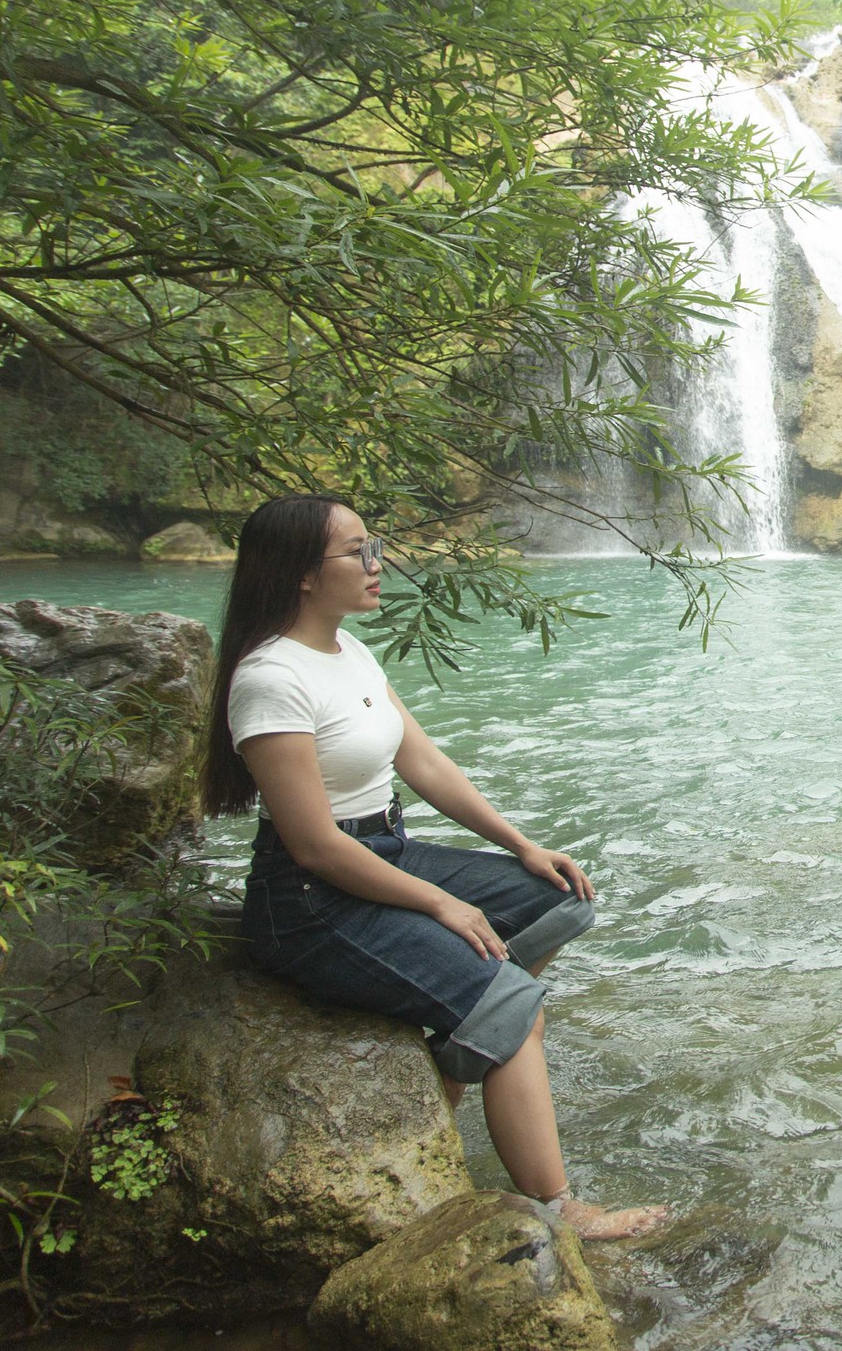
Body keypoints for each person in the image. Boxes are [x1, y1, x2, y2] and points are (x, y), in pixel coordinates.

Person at [200, 494, 665, 1240]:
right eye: (357, 551)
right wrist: (441, 904)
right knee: (515, 1003)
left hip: (385, 850)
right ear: (302, 576)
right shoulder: (269, 678)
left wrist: (520, 844)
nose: (377, 563)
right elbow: (315, 845)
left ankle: (457, 1054)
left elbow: (423, 762)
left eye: (372, 544)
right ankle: (558, 1207)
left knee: (560, 899)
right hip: (313, 898)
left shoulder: (349, 650)